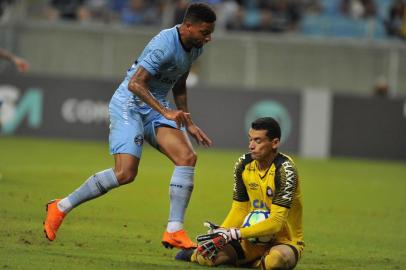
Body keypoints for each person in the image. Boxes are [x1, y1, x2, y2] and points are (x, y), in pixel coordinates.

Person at [43, 2, 216, 250]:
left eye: (210, 33)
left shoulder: (195, 47)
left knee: (187, 157)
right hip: (130, 104)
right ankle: (60, 207)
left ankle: (174, 230)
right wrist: (166, 111)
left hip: (155, 106)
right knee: (125, 173)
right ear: (188, 26)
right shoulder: (164, 43)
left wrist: (187, 120)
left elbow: (179, 84)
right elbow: (135, 84)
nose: (208, 38)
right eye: (204, 32)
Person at [176, 117, 304, 269]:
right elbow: (240, 209)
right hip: (250, 239)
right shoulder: (243, 164)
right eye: (250, 140)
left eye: (258, 141)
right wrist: (222, 233)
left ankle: (254, 261)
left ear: (274, 143)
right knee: (208, 256)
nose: (251, 146)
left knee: (275, 261)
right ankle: (193, 253)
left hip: (284, 241)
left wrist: (237, 233)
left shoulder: (285, 170)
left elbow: (276, 222)